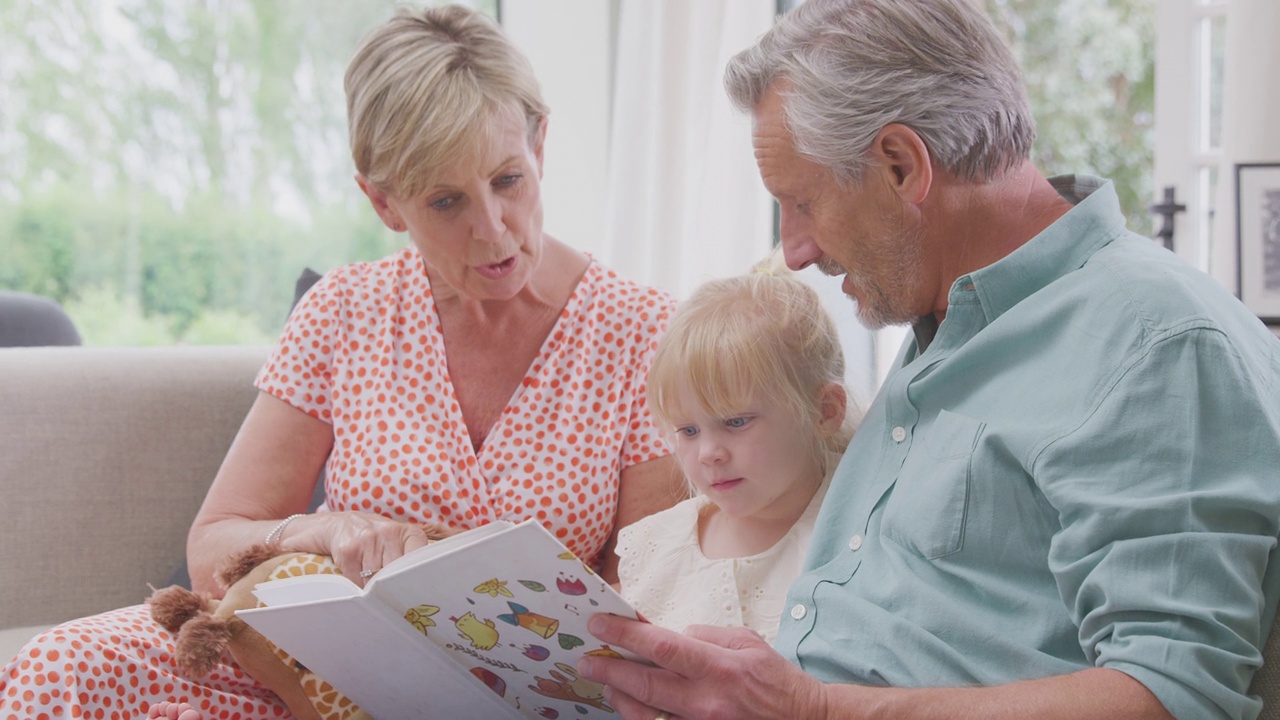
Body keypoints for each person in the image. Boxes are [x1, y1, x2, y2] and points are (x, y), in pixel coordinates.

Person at [577, 1, 1280, 719]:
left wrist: (814, 710)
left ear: (901, 165)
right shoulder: (944, 318)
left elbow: (1173, 696)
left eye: (804, 203)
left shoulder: (1157, 344)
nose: (794, 251)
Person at [0, 5, 682, 719]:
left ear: (540, 146)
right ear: (383, 202)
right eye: (446, 201)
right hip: (311, 679)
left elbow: (649, 591)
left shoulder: (643, 332)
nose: (491, 228)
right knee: (64, 666)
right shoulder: (344, 309)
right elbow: (215, 543)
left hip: (530, 699)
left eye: (508, 180)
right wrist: (321, 530)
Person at [616, 264, 858, 644]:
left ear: (825, 411)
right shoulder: (656, 549)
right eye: (688, 431)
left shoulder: (865, 531)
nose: (709, 453)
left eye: (736, 422)